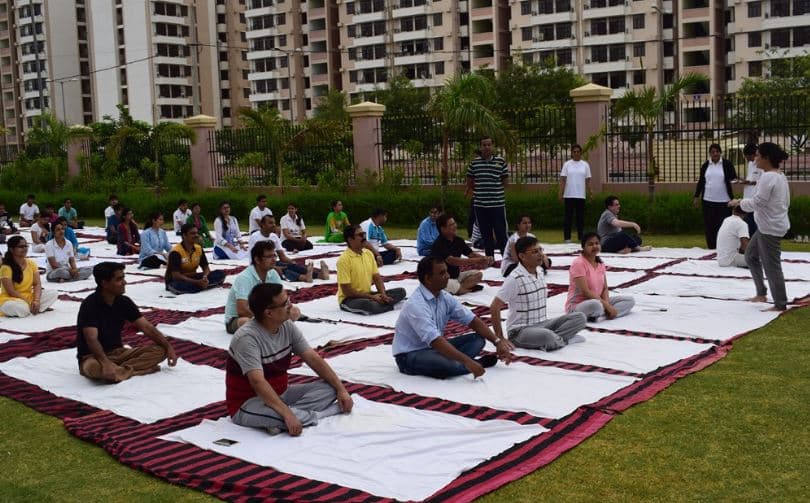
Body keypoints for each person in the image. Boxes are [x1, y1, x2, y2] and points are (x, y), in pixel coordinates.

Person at [226, 283, 353, 436]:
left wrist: (341, 390)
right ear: (269, 313)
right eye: (285, 303)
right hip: (249, 402)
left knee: (332, 388)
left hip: (282, 394)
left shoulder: (287, 326)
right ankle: (320, 414)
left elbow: (312, 358)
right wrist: (287, 415)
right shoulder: (247, 338)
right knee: (285, 417)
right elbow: (257, 382)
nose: (290, 305)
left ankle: (284, 416)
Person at [393, 256, 512, 378]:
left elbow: (473, 320)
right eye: (442, 273)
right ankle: (473, 364)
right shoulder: (416, 305)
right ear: (428, 279)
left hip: (434, 349)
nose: (448, 276)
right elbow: (435, 341)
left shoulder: (444, 296)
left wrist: (497, 342)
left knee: (477, 340)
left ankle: (457, 364)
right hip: (410, 355)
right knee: (444, 365)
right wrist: (468, 361)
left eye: (446, 271)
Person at [76, 262, 177, 383]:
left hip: (119, 352)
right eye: (119, 279)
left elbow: (146, 327)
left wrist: (168, 346)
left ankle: (120, 371)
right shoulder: (90, 304)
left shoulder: (124, 302)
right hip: (93, 357)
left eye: (123, 278)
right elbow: (91, 338)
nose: (124, 282)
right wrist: (105, 362)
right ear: (104, 283)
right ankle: (137, 371)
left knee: (160, 350)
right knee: (94, 369)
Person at [491, 236, 587, 350]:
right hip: (520, 331)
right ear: (522, 256)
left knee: (580, 317)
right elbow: (494, 307)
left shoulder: (539, 271)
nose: (540, 254)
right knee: (547, 336)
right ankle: (562, 340)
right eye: (535, 252)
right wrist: (500, 338)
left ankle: (557, 339)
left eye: (540, 250)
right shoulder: (514, 279)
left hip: (543, 323)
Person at [729, 142, 791, 311]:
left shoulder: (769, 177)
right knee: (750, 256)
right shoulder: (778, 175)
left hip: (770, 228)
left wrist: (739, 203)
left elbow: (759, 202)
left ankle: (780, 303)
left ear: (766, 158)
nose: (755, 159)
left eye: (757, 155)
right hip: (767, 226)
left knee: (771, 265)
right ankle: (761, 293)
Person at [225, 241, 301, 334]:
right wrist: (270, 318)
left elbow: (283, 299)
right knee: (246, 322)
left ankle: (270, 326)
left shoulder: (272, 273)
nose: (274, 260)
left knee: (294, 312)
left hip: (266, 314)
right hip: (238, 319)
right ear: (257, 260)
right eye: (269, 257)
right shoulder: (244, 278)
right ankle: (270, 327)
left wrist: (284, 311)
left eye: (274, 256)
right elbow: (242, 310)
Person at [336, 225, 406, 315]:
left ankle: (383, 302)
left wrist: (383, 294)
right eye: (360, 235)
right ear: (350, 239)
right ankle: (391, 306)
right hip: (350, 299)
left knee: (401, 291)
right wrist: (372, 297)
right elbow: (347, 291)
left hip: (368, 294)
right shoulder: (344, 260)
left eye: (364, 234)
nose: (364, 237)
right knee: (370, 306)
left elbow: (376, 277)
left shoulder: (368, 253)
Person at [566, 232, 635, 321]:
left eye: (597, 243)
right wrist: (607, 306)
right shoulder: (578, 263)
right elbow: (585, 292)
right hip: (578, 305)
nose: (594, 246)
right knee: (596, 305)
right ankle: (604, 313)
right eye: (590, 244)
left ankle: (601, 314)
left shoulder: (600, 263)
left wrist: (606, 304)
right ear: (583, 247)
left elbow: (604, 288)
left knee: (629, 300)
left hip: (599, 300)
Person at [248, 214, 329, 282]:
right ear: (262, 225)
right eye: (270, 223)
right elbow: (253, 260)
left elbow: (282, 256)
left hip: (272, 262)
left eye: (274, 223)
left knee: (292, 265)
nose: (274, 225)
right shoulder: (255, 237)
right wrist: (274, 267)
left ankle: (319, 275)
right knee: (283, 269)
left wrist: (291, 262)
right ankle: (303, 278)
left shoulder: (274, 236)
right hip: (259, 265)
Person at [466, 136, 509, 258]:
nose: (486, 147)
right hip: (480, 205)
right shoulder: (474, 163)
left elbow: (505, 181)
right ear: (481, 146)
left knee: (501, 233)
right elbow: (469, 181)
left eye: (489, 145)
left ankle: (506, 259)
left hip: (497, 205)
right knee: (486, 234)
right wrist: (480, 191)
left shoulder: (500, 162)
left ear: (493, 146)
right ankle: (489, 259)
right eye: (484, 145)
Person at [430, 214, 491, 295]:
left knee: (478, 274)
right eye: (451, 224)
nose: (455, 226)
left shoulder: (458, 240)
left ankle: (461, 288)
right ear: (443, 229)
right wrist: (478, 260)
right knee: (446, 284)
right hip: (442, 278)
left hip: (457, 276)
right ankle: (462, 288)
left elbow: (471, 254)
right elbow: (453, 261)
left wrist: (485, 258)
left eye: (454, 223)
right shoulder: (438, 244)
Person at [693, 143, 738, 249]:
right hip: (708, 200)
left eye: (717, 152)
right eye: (713, 152)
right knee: (709, 225)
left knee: (723, 225)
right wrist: (696, 196)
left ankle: (723, 247)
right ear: (710, 153)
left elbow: (733, 177)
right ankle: (711, 247)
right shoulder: (706, 165)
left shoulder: (727, 164)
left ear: (720, 152)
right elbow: (701, 181)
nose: (715, 154)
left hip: (724, 201)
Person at [0, 236, 58, 317]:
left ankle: (33, 307)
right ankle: (33, 308)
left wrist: (36, 300)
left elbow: (37, 284)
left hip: (29, 296)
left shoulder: (31, 263)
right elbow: (11, 291)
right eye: (21, 247)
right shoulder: (6, 267)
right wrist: (28, 302)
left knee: (53, 293)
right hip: (11, 299)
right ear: (11, 249)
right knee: (19, 307)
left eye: (25, 246)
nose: (24, 249)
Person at [165, 223, 226, 294]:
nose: (196, 235)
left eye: (197, 233)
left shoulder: (198, 248)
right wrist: (197, 282)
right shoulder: (176, 252)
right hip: (178, 280)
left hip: (194, 277)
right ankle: (202, 285)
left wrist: (205, 278)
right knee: (178, 286)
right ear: (184, 235)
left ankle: (201, 285)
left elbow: (206, 267)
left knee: (220, 273)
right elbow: (176, 276)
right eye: (192, 233)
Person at [559, 144, 591, 243]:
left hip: (581, 195)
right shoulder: (567, 164)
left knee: (580, 218)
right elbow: (563, 180)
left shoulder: (585, 165)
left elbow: (588, 180)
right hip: (569, 195)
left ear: (581, 153)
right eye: (574, 152)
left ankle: (581, 237)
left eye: (578, 151)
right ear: (572, 153)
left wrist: (590, 192)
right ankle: (567, 238)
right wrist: (560, 193)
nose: (576, 153)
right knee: (568, 217)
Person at [738, 143, 761, 236]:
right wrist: (744, 181)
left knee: (755, 224)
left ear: (753, 154)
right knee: (747, 224)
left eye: (747, 156)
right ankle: (748, 245)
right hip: (747, 197)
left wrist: (749, 182)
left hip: (755, 198)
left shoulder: (761, 165)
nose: (746, 158)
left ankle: (755, 246)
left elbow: (762, 181)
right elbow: (751, 178)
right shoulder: (751, 164)